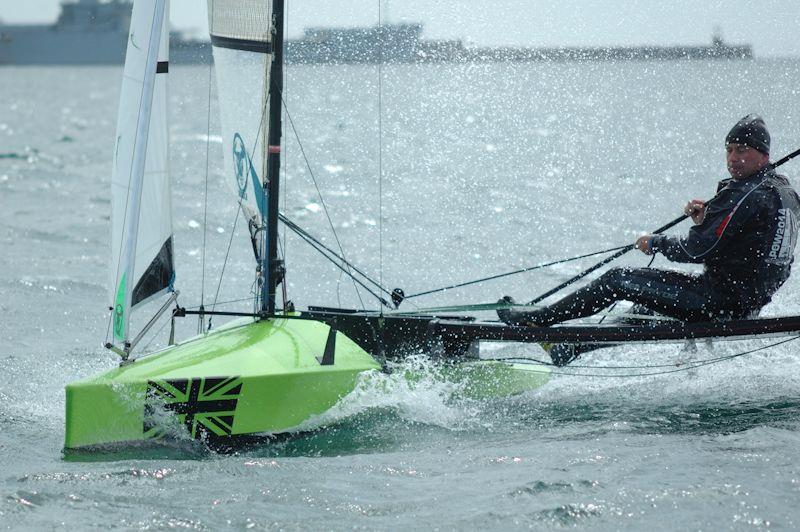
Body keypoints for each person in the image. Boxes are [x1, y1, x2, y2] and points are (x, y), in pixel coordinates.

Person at [498, 115, 800, 365]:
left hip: (718, 301)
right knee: (644, 309)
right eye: (729, 150)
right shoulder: (783, 193)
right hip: (746, 304)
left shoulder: (745, 194)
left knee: (618, 280)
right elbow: (754, 247)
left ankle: (537, 322)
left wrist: (655, 243)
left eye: (743, 150)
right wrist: (708, 221)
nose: (733, 158)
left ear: (764, 154)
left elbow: (696, 249)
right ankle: (572, 348)